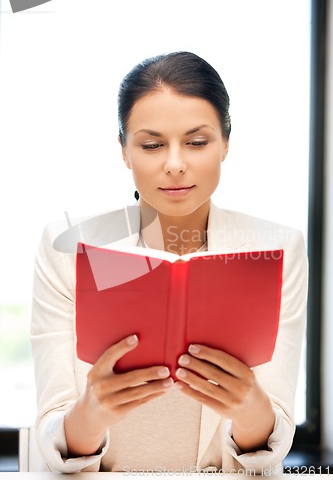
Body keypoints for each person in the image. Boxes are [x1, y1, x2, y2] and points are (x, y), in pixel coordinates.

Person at [31, 51, 308, 474]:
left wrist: (252, 409)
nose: (175, 164)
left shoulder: (276, 248)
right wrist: (92, 414)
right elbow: (54, 430)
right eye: (152, 144)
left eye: (197, 142)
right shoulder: (67, 246)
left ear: (226, 143)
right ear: (124, 150)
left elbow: (273, 439)